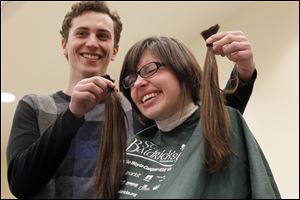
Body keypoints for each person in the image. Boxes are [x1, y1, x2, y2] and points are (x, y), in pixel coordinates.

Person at [6, 1, 257, 199]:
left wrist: (244, 74)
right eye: (82, 33)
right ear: (64, 43)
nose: (92, 42)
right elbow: (21, 184)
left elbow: (205, 126)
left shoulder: (137, 107)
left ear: (114, 49)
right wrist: (72, 115)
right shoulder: (35, 106)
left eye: (103, 36)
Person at [95, 35, 280, 199]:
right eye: (130, 80)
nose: (138, 83)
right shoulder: (133, 146)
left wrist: (244, 72)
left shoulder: (220, 126)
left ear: (183, 70)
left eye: (150, 69)